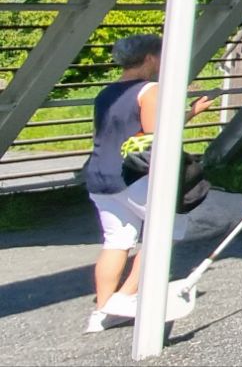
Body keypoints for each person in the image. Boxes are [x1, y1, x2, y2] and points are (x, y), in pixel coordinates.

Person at [80, 34, 211, 333]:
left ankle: (101, 312)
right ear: (150, 58)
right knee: (166, 231)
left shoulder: (107, 92)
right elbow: (156, 138)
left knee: (116, 241)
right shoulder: (150, 90)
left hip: (101, 176)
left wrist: (191, 112)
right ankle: (126, 296)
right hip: (133, 176)